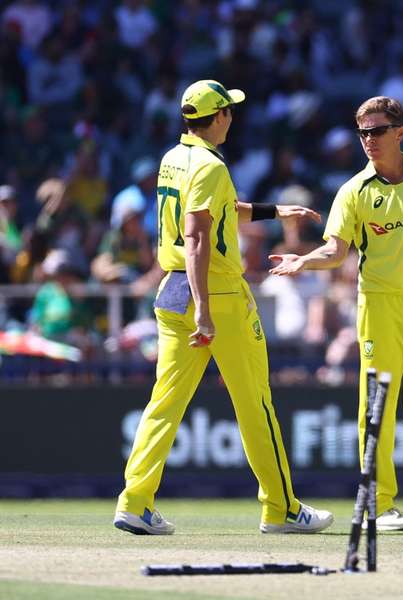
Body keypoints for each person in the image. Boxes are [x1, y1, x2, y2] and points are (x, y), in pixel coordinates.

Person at [114, 80, 330, 536]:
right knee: (256, 404)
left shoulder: (174, 158)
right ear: (217, 118)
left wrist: (276, 211)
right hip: (216, 296)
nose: (232, 116)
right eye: (228, 110)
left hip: (172, 289)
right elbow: (196, 238)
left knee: (164, 404)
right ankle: (281, 508)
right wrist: (205, 310)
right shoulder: (211, 165)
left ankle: (134, 501)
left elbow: (219, 213)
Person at [269, 96, 403, 532]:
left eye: (377, 131)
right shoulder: (354, 191)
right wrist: (305, 261)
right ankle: (379, 504)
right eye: (363, 133)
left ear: (400, 132)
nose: (368, 141)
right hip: (379, 307)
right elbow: (336, 250)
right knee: (376, 409)